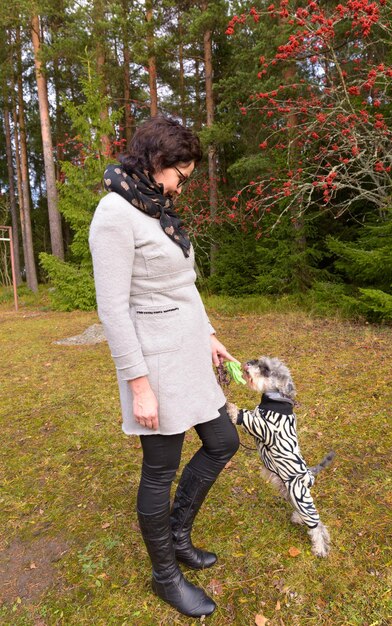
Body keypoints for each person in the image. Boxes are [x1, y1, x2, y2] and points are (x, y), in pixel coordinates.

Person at [89, 116, 240, 618]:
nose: (183, 183)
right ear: (157, 162)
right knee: (160, 470)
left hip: (188, 350)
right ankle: (165, 576)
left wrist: (210, 334)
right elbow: (111, 308)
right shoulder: (114, 213)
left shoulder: (155, 208)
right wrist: (139, 385)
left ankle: (177, 537)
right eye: (182, 173)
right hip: (153, 363)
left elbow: (183, 286)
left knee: (223, 441)